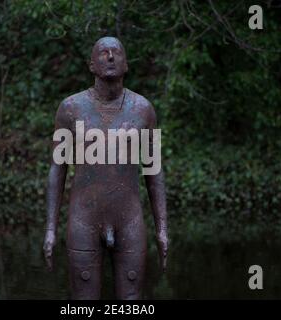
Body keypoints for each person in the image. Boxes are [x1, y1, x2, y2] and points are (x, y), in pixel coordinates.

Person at [43, 36, 168, 299]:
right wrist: (51, 229)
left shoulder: (143, 110)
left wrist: (162, 229)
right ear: (91, 64)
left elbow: (154, 170)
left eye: (116, 53)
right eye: (103, 53)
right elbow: (57, 169)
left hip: (130, 220)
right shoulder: (70, 108)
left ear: (126, 64)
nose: (110, 57)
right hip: (83, 219)